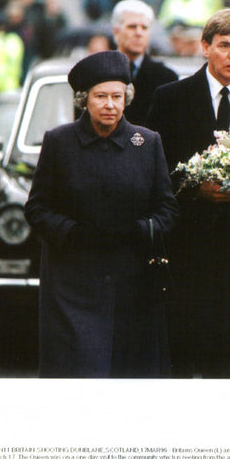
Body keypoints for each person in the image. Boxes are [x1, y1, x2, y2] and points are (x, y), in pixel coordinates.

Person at [146, 8, 230, 378]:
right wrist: (195, 192)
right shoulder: (170, 98)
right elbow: (155, 176)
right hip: (187, 248)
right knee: (183, 356)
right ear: (205, 47)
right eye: (225, 45)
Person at [24, 51, 178, 378]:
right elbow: (36, 208)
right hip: (72, 285)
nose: (110, 105)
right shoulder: (59, 142)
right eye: (101, 97)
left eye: (117, 97)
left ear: (127, 99)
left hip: (132, 284)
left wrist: (139, 231)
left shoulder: (147, 143)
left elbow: (167, 209)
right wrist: (72, 232)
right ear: (84, 100)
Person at [111, 0, 178, 127]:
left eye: (144, 27)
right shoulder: (97, 74)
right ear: (116, 31)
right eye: (132, 26)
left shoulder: (166, 78)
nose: (139, 33)